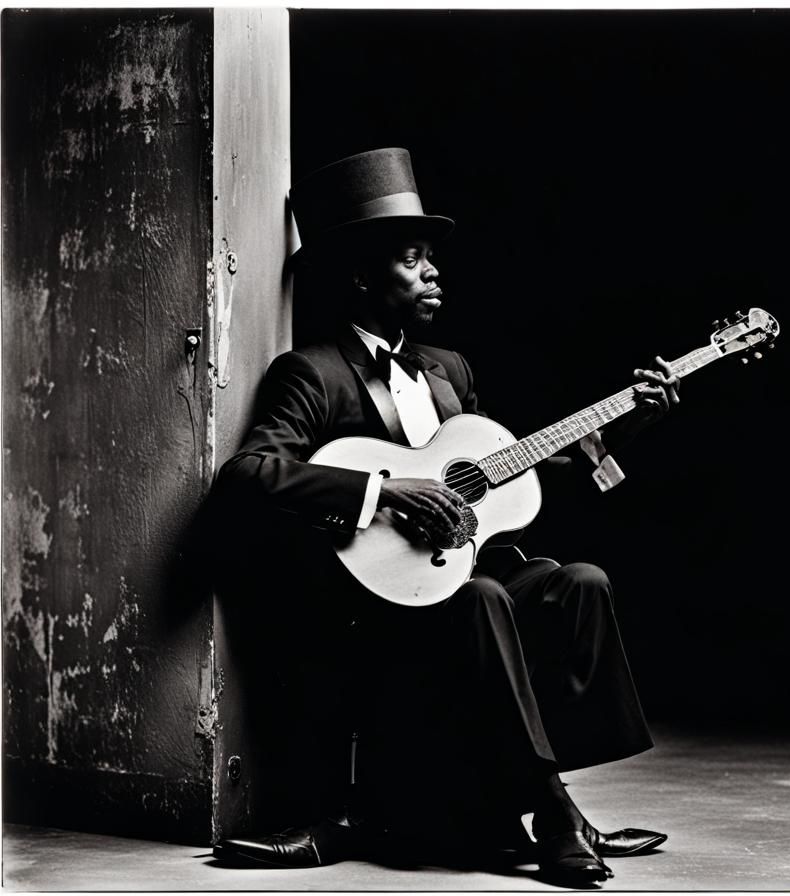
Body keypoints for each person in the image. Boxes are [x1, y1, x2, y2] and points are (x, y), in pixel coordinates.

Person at [210, 148, 680, 887]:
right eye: (410, 258)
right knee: (485, 596)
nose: (432, 272)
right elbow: (247, 476)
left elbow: (508, 468)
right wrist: (385, 494)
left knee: (577, 583)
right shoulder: (312, 372)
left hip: (455, 596)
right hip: (371, 610)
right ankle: (556, 813)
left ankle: (527, 799)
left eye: (432, 258)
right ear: (362, 276)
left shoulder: (449, 370)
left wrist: (626, 428)